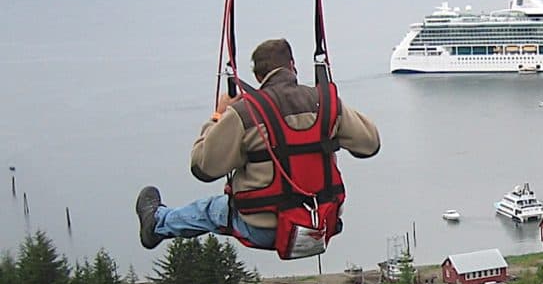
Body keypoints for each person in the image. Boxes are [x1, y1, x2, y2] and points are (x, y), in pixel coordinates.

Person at [136, 38, 380, 251]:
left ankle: (157, 223)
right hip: (322, 221)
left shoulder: (243, 113)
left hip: (264, 228)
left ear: (258, 77)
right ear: (292, 66)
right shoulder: (326, 103)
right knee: (214, 208)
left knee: (210, 209)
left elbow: (203, 167)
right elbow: (370, 145)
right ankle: (158, 221)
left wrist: (218, 117)